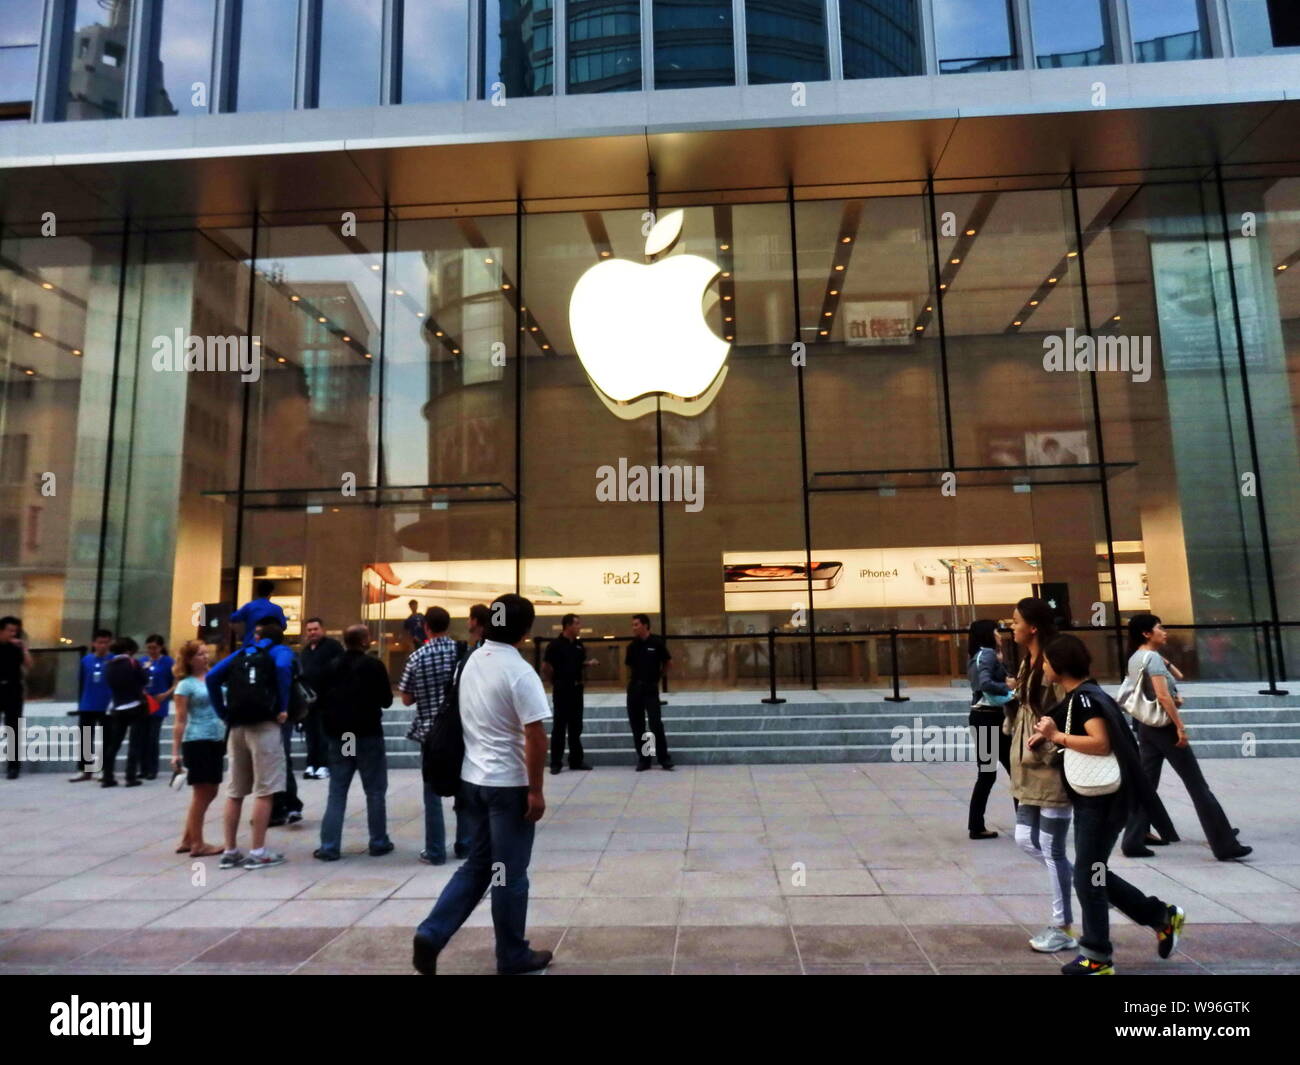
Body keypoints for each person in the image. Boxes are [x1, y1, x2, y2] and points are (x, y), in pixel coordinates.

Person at [412, 594, 553, 976]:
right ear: (526, 631)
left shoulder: (471, 661)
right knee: (508, 872)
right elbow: (536, 735)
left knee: (478, 866)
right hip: (507, 786)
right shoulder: (519, 671)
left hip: (472, 780)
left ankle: (432, 932)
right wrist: (536, 790)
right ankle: (512, 954)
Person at [1033, 634, 1186, 975]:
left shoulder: (1086, 700)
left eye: (1045, 662)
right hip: (1100, 802)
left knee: (1089, 876)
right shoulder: (1083, 696)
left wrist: (1057, 737)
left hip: (1101, 804)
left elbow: (1100, 743)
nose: (1042, 667)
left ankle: (1098, 956)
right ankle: (1160, 916)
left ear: (1058, 667)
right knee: (1092, 874)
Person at [1120, 613, 1252, 861]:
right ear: (1147, 633)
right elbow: (1163, 695)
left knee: (1146, 785)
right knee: (1197, 786)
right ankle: (1224, 843)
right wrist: (1179, 726)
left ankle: (1132, 839)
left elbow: (1178, 676)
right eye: (1160, 628)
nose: (1165, 631)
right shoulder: (1151, 659)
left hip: (1146, 726)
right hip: (1165, 727)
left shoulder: (1137, 658)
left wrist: (1162, 660)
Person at [1004, 598, 1075, 954]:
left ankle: (1062, 924)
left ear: (1032, 626)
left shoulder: (1052, 660)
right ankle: (1096, 889)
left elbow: (1071, 705)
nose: (1010, 626)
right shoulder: (1028, 661)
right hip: (1027, 767)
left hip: (1049, 768)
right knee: (1024, 839)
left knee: (1050, 846)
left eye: (1015, 621)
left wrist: (1049, 740)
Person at [207, 617, 294, 870]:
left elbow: (212, 677)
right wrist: (283, 706)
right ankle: (257, 851)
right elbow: (283, 670)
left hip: (236, 726)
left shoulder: (241, 654)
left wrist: (222, 712)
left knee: (235, 792)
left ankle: (230, 850)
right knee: (265, 791)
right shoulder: (281, 652)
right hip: (264, 725)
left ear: (258, 637)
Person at [314, 624, 395, 861]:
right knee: (375, 791)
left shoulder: (331, 667)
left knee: (337, 791)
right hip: (367, 734)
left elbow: (320, 700)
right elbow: (387, 701)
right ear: (363, 642)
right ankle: (378, 841)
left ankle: (329, 845)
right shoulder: (374, 665)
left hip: (341, 735)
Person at [400, 606, 470, 864]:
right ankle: (465, 844)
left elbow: (406, 698)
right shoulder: (461, 653)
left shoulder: (417, 657)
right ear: (448, 625)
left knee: (432, 792)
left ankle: (435, 850)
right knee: (463, 788)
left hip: (430, 732)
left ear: (426, 627)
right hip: (460, 729)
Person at [169, 640, 226, 857]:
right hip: (197, 739)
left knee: (210, 790)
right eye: (200, 654)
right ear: (190, 659)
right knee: (203, 792)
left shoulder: (213, 677)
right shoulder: (186, 685)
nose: (205, 657)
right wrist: (175, 752)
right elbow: (180, 720)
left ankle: (188, 838)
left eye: (205, 653)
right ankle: (198, 843)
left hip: (215, 737)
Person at [966, 619, 1013, 839]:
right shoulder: (987, 655)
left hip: (981, 718)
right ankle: (1026, 824)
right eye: (996, 630)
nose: (999, 634)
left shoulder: (978, 655)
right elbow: (985, 684)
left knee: (987, 774)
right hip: (990, 719)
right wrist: (1008, 686)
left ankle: (976, 825)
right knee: (1015, 769)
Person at [543, 613, 595, 774]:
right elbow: (546, 667)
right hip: (562, 689)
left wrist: (588, 664)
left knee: (576, 726)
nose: (579, 627)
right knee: (559, 726)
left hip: (577, 690)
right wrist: (555, 682)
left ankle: (576, 760)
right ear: (567, 626)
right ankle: (556, 762)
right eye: (577, 624)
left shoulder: (579, 645)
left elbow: (578, 664)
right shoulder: (555, 645)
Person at [624, 614, 673, 771]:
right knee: (638, 725)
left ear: (645, 625)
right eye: (633, 625)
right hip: (635, 689)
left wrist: (657, 678)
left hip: (651, 689)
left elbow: (668, 663)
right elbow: (628, 667)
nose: (634, 627)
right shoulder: (632, 646)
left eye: (636, 624)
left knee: (655, 724)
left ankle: (664, 758)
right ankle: (645, 759)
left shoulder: (657, 643)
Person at [298, 617, 343, 780]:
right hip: (309, 702)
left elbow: (339, 670)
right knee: (311, 734)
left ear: (322, 629)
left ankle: (324, 765)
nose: (312, 633)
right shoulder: (305, 651)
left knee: (324, 734)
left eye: (315, 629)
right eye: (309, 630)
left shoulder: (333, 647)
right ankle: (311, 764)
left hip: (327, 700)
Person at [102, 637, 148, 788]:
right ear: (129, 650)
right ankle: (130, 777)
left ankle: (107, 776)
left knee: (114, 744)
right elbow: (144, 680)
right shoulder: (133, 663)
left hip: (117, 707)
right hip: (135, 706)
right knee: (134, 744)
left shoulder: (109, 665)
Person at [69, 629, 112, 782]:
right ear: (94, 643)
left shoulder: (113, 660)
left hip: (107, 705)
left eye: (106, 642)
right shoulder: (86, 660)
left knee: (107, 739)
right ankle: (84, 769)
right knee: (86, 738)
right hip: (88, 704)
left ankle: (104, 768)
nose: (103, 646)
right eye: (100, 642)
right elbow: (81, 681)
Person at [0, 617, 33, 780]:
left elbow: (29, 665)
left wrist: (24, 649)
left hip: (13, 689)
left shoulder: (17, 647)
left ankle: (13, 767)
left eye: (15, 631)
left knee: (13, 728)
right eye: (10, 630)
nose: (13, 634)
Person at [138, 635, 174, 781]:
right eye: (149, 648)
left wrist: (165, 694)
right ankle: (143, 768)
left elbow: (176, 681)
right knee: (142, 737)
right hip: (144, 702)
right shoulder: (142, 662)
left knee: (153, 736)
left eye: (155, 648)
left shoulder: (168, 662)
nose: (152, 651)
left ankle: (153, 769)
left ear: (161, 647)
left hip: (159, 702)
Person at [231, 580, 288, 647]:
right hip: (270, 647)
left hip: (250, 644)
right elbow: (283, 627)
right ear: (271, 592)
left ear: (257, 592)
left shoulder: (249, 606)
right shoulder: (277, 609)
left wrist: (242, 634)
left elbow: (232, 619)